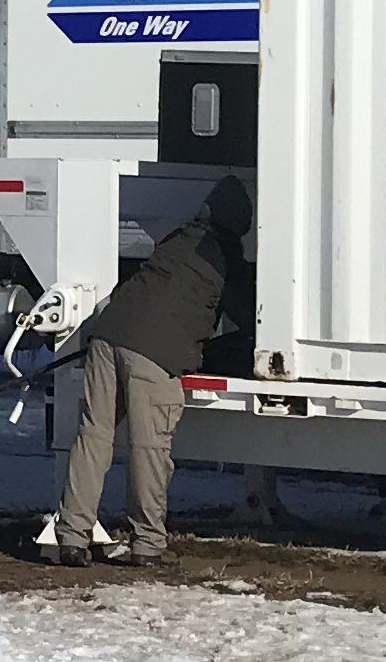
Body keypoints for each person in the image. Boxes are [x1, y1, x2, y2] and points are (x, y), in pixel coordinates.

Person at [52, 176, 253, 567]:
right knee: (148, 447)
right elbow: (248, 317)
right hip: (155, 353)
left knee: (94, 436)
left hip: (107, 336)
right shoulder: (227, 257)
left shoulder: (178, 238)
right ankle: (147, 543)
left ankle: (72, 537)